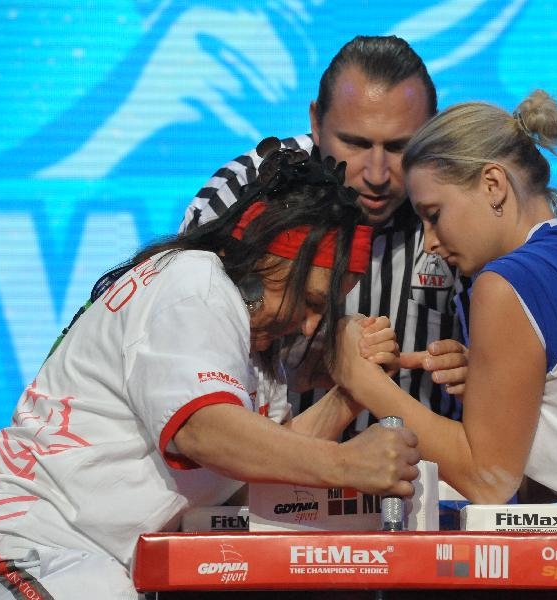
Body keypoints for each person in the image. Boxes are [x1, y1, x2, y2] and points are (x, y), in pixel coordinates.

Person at [0, 148, 421, 599]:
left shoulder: (255, 353)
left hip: (82, 566)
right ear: (265, 257)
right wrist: (346, 465)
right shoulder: (194, 281)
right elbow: (206, 431)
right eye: (311, 301)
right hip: (8, 548)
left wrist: (348, 394)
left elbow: (258, 470)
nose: (312, 325)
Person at [331, 90, 557, 528]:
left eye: (434, 214)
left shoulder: (510, 281)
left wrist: (360, 379)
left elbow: (488, 480)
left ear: (493, 185)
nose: (430, 243)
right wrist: (498, 388)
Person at [180, 35, 468, 434]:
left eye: (401, 147)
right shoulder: (242, 193)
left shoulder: (461, 206)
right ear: (315, 121)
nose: (377, 174)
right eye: (356, 143)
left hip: (422, 484)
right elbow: (182, 356)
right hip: (257, 479)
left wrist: (479, 373)